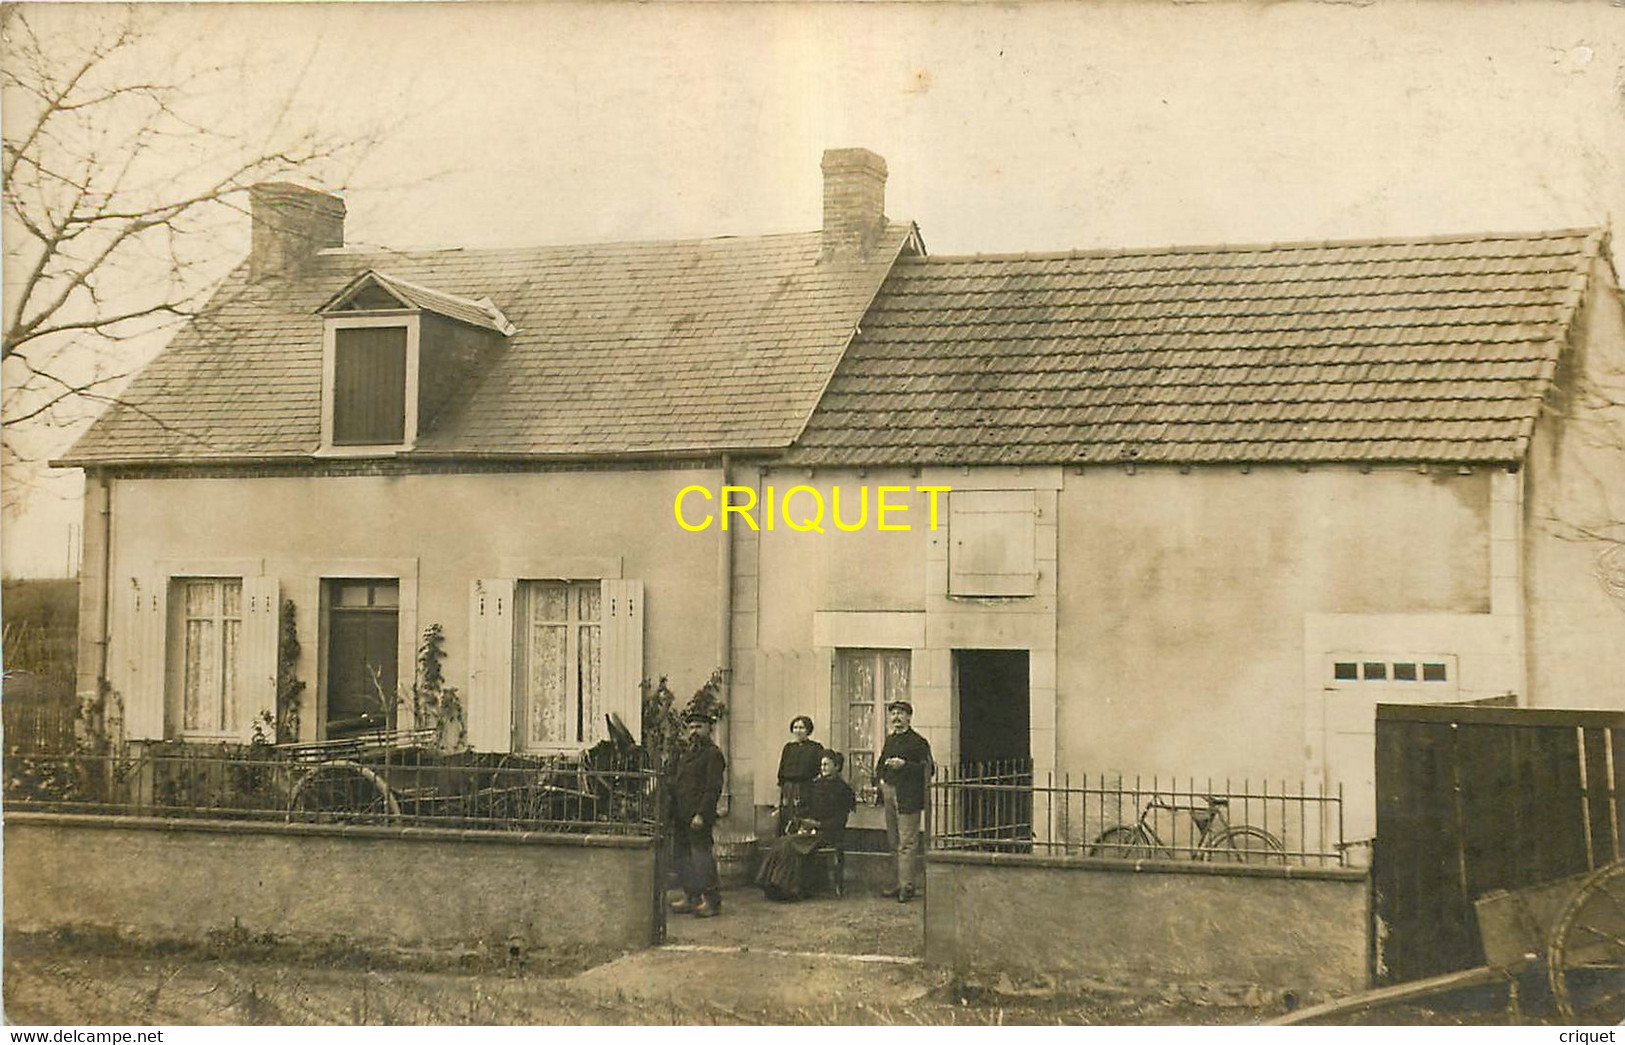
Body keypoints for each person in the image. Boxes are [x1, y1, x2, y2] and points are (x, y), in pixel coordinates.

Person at [755, 751, 857, 901]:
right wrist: (801, 818)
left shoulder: (844, 790)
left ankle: (789, 889)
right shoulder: (815, 785)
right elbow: (805, 807)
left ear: (837, 766)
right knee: (782, 842)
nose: (822, 768)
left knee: (790, 843)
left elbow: (840, 820)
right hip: (810, 829)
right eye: (821, 764)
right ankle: (771, 884)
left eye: (826, 764)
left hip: (828, 833)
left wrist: (819, 824)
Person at [668, 708, 727, 917]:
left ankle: (711, 902)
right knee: (681, 857)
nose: (694, 731)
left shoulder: (713, 754)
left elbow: (713, 788)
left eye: (699, 727)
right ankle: (691, 896)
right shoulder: (685, 754)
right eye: (691, 727)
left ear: (709, 729)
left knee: (702, 858)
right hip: (680, 814)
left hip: (698, 816)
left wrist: (701, 814)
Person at [874, 699, 933, 902]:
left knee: (907, 842)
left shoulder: (918, 742)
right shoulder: (890, 740)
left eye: (901, 713)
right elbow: (881, 763)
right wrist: (880, 781)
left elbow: (928, 770)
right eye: (893, 714)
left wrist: (905, 765)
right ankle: (897, 883)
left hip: (908, 796)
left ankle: (906, 887)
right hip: (890, 792)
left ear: (909, 717)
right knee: (894, 841)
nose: (896, 718)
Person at [774, 715, 824, 835]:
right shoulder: (788, 748)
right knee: (787, 816)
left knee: (802, 817)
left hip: (806, 789)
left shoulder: (815, 748)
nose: (798, 731)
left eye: (801, 728)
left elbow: (819, 771)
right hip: (788, 789)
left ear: (808, 730)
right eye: (795, 727)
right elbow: (781, 772)